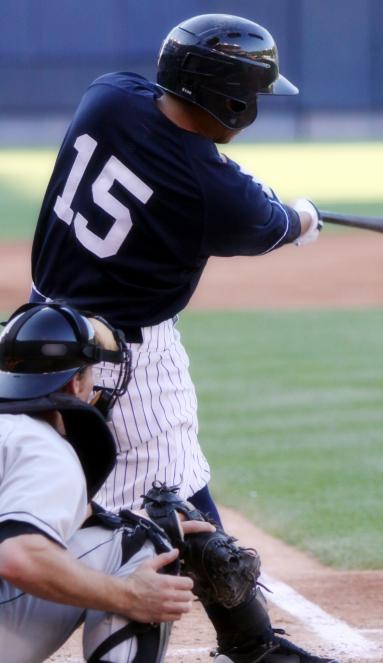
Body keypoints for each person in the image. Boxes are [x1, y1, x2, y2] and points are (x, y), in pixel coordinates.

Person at [29, 13, 334, 663]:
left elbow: (181, 150)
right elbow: (272, 219)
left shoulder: (107, 96)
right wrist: (304, 215)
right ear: (231, 100)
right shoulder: (214, 194)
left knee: (109, 490)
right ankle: (250, 646)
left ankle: (248, 639)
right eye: (252, 94)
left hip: (38, 332)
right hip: (119, 358)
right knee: (172, 510)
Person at [0, 302, 200, 662]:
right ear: (76, 383)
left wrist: (136, 517)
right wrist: (131, 596)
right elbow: (17, 557)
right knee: (141, 543)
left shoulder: (10, 433)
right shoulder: (43, 447)